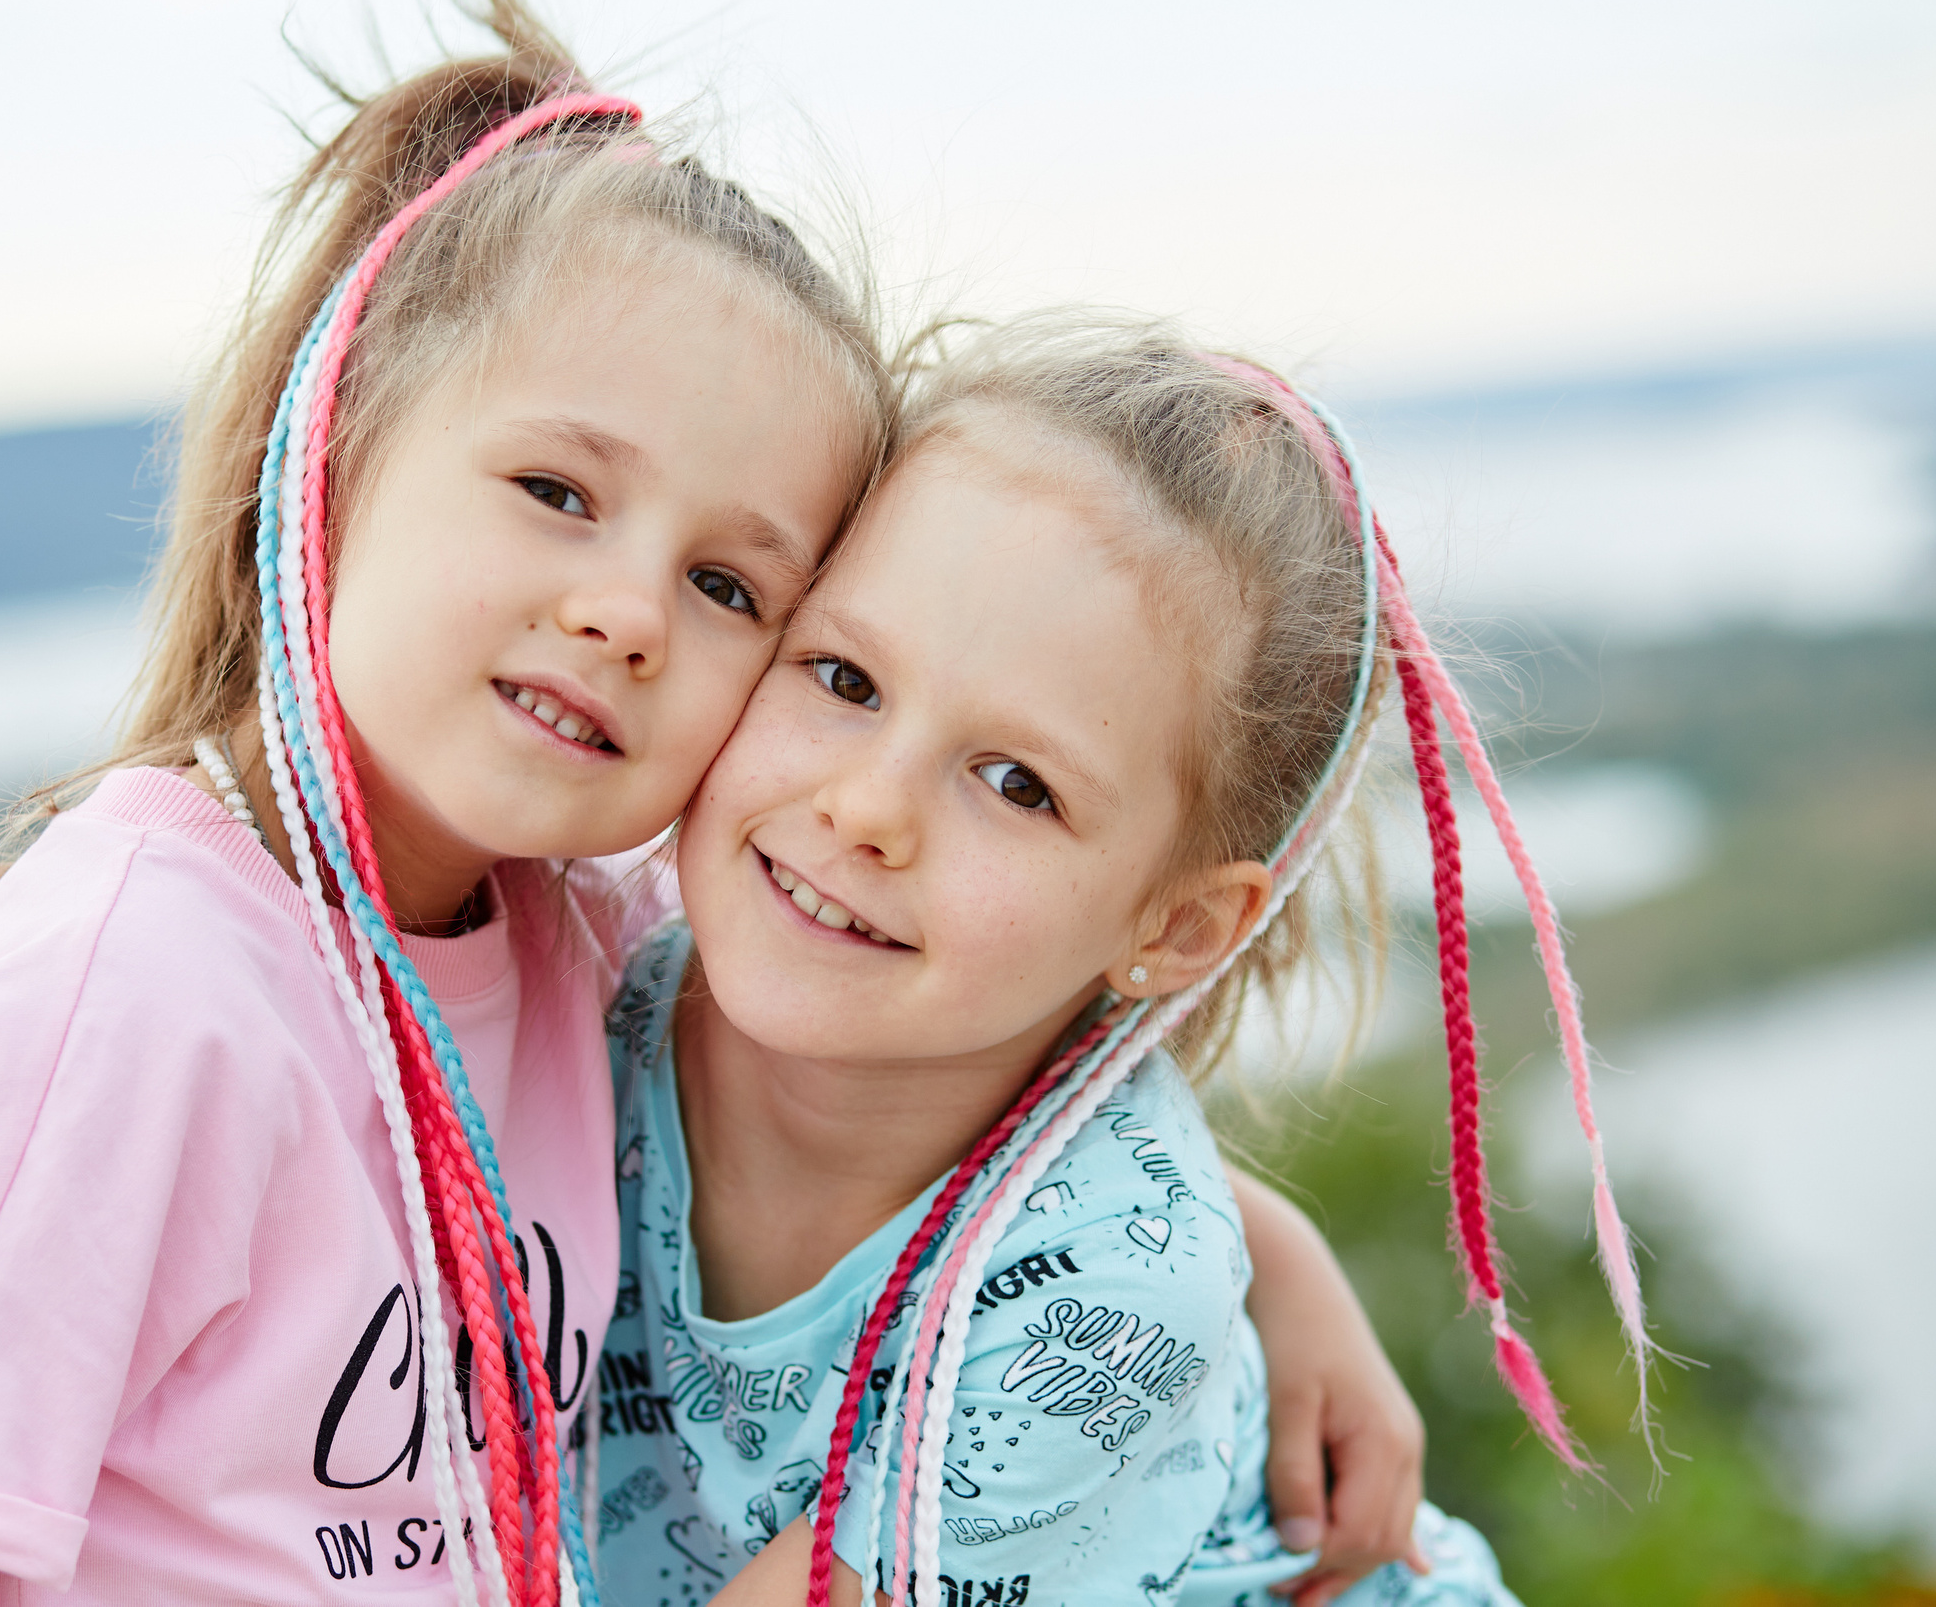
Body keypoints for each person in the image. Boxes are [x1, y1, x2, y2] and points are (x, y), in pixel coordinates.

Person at [0, 0, 1437, 1607]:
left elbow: (1022, 1187)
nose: (624, 612)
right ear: (337, 440)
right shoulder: (133, 996)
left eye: (734, 589)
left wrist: (1248, 1269)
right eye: (559, 491)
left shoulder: (566, 945)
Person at [585, 318, 1656, 1607]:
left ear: (1176, 929)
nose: (867, 808)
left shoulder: (1122, 1289)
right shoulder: (588, 961)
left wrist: (1230, 1261)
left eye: (1017, 784)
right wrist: (1279, 1249)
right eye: (843, 676)